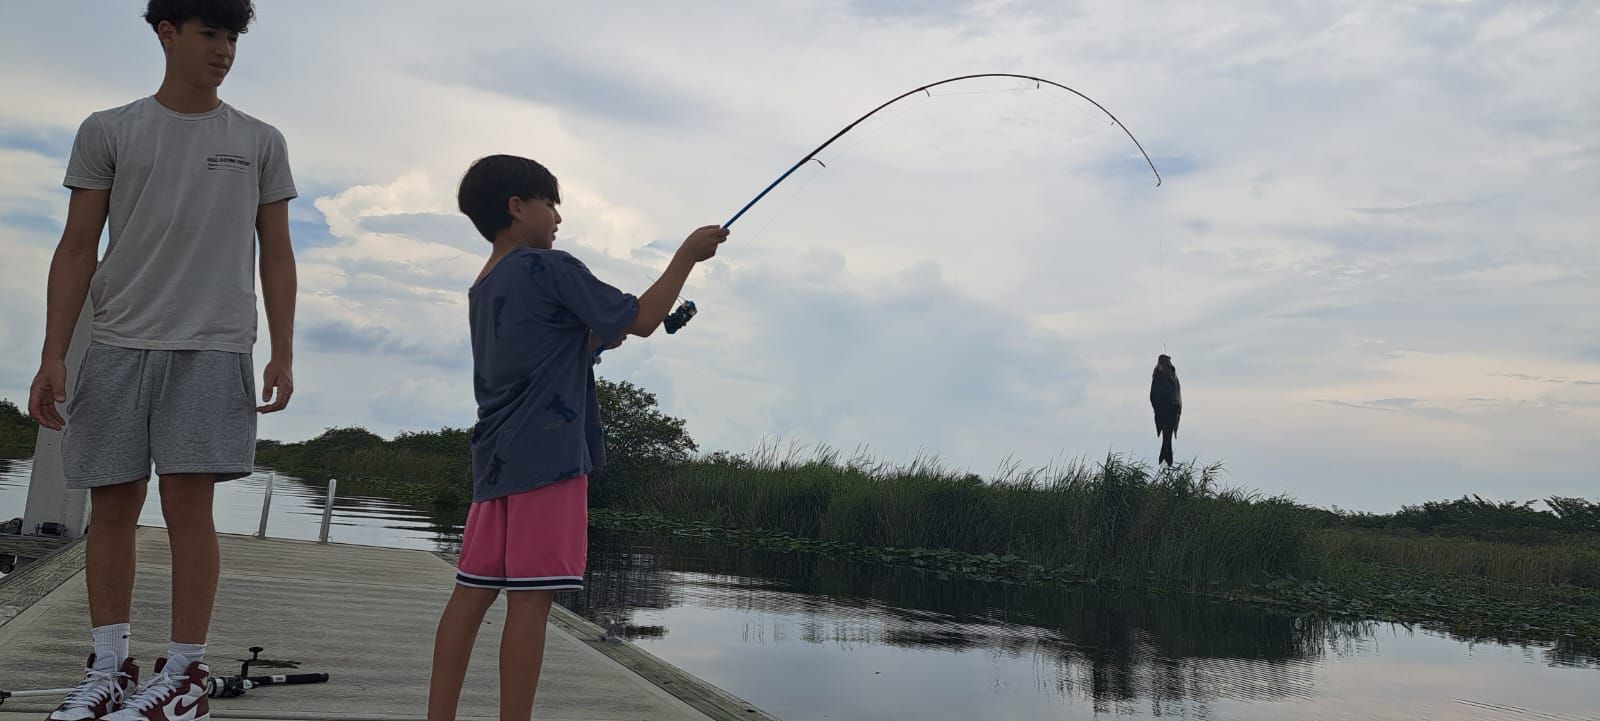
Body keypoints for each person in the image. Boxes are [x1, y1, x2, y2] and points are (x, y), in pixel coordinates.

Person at [28, 2, 298, 719]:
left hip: (214, 345)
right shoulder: (109, 129)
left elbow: (277, 251)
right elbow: (78, 245)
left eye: (233, 35)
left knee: (189, 504)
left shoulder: (259, 140)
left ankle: (183, 669)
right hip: (118, 340)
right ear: (167, 33)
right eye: (210, 32)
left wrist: (284, 348)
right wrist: (54, 351)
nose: (224, 49)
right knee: (112, 502)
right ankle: (110, 665)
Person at [425, 154, 727, 721]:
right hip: (550, 460)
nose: (558, 217)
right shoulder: (550, 266)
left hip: (494, 464)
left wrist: (593, 338)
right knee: (530, 605)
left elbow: (569, 344)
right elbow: (638, 318)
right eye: (550, 203)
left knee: (469, 595)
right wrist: (687, 255)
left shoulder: (483, 285)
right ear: (518, 207)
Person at [1149, 354, 1181, 466]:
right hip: (1164, 412)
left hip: (1170, 412)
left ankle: (1166, 452)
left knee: (1167, 436)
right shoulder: (1158, 374)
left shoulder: (1171, 374)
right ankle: (1166, 452)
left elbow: (1176, 399)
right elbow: (1153, 396)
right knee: (1167, 436)